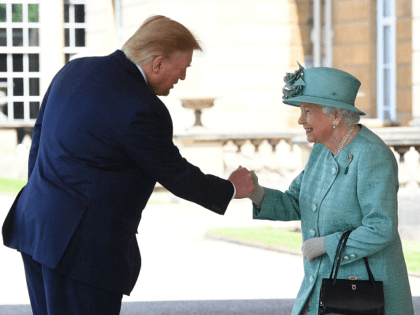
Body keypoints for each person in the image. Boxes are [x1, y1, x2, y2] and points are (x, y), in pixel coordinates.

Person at [2, 15, 254, 315]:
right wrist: (231, 188)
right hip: (81, 253)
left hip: (35, 229)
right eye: (183, 68)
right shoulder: (144, 108)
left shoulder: (74, 69)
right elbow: (176, 174)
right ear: (157, 63)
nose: (183, 77)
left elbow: (39, 141)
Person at [238, 64, 414, 314]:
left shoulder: (372, 155)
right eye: (301, 111)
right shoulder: (322, 149)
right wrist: (255, 191)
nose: (301, 120)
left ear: (335, 116)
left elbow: (381, 227)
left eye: (308, 111)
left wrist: (325, 245)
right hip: (324, 290)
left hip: (363, 295)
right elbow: (296, 201)